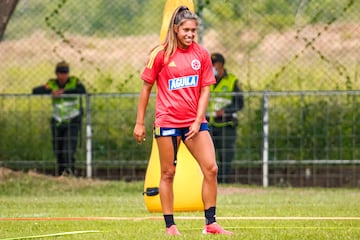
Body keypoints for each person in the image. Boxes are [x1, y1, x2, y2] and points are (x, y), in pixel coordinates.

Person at [133, 6, 233, 236]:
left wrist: (198, 121)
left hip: (194, 122)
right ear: (176, 29)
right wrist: (139, 123)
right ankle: (170, 226)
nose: (190, 34)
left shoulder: (202, 55)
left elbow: (206, 90)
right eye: (186, 30)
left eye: (193, 30)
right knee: (168, 173)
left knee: (211, 168)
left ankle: (211, 223)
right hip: (167, 121)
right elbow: (146, 88)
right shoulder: (160, 54)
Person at [32, 61, 86, 176]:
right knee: (58, 149)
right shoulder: (52, 84)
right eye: (60, 72)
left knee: (68, 149)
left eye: (65, 73)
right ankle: (60, 174)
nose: (63, 75)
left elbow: (82, 90)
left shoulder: (74, 82)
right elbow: (35, 91)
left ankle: (70, 172)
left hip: (73, 119)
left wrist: (64, 92)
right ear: (56, 73)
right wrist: (50, 92)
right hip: (57, 121)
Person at [207, 53, 244, 183]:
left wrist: (226, 111)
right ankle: (211, 182)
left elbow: (239, 103)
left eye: (214, 64)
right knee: (208, 156)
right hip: (208, 123)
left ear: (221, 65)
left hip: (226, 124)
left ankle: (224, 182)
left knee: (226, 156)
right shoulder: (205, 79)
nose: (212, 67)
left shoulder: (232, 81)